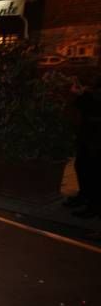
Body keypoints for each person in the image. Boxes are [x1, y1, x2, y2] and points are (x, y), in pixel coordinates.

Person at [64, 78, 101, 219]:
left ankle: (94, 206)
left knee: (93, 171)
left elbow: (94, 105)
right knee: (82, 165)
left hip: (95, 136)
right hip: (89, 133)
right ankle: (85, 197)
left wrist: (83, 94)